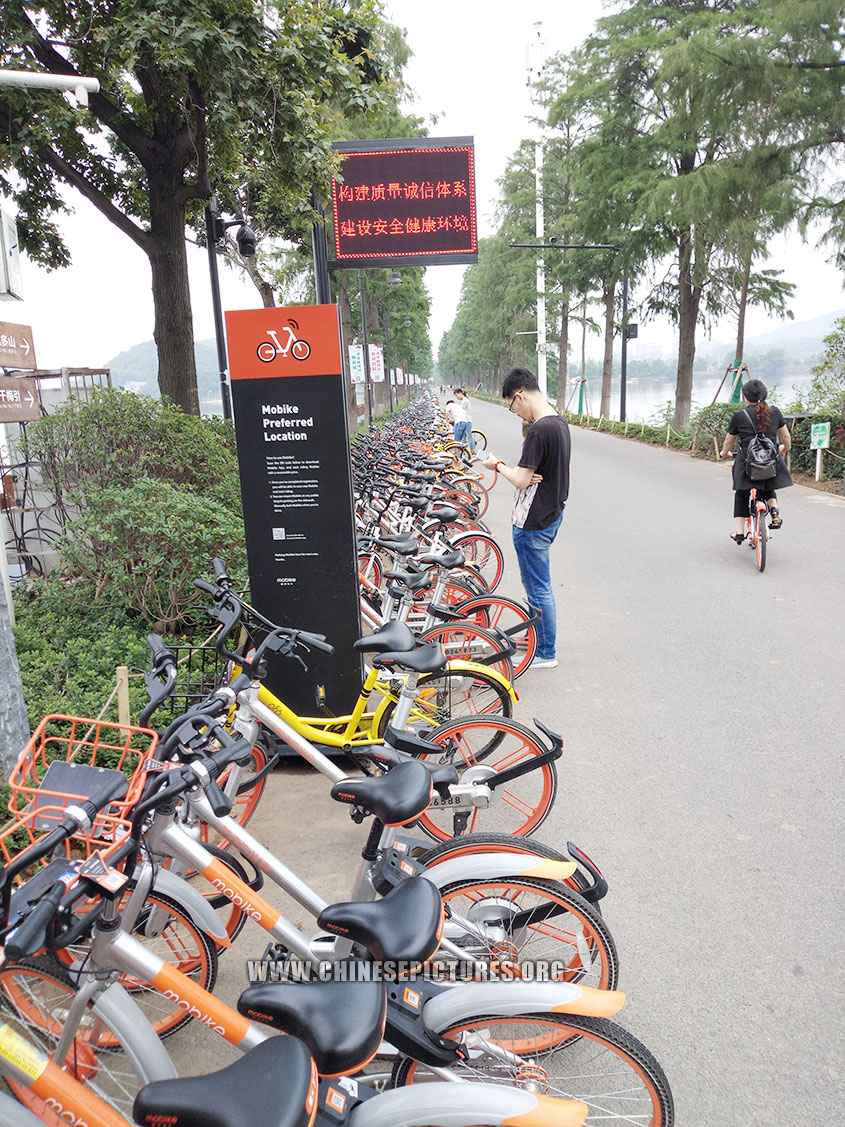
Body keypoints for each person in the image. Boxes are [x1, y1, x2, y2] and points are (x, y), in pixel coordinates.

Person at [482, 368, 570, 670]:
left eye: (512, 405)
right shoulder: (558, 421)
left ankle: (545, 652)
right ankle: (539, 640)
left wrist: (497, 465)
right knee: (538, 584)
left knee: (538, 586)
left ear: (519, 395)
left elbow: (521, 480)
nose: (516, 413)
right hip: (551, 513)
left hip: (533, 521)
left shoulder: (538, 430)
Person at [719, 378, 792, 542]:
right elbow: (786, 436)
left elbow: (728, 441)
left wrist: (725, 453)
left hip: (747, 462)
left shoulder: (740, 416)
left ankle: (739, 532)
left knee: (742, 493)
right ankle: (774, 511)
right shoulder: (775, 412)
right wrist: (784, 449)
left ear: (745, 397)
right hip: (771, 459)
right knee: (768, 484)